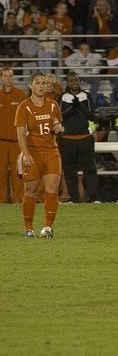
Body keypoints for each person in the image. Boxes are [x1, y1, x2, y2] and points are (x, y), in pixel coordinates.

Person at [15, 72, 63, 238]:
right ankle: (28, 228)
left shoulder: (53, 105)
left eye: (44, 83)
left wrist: (59, 128)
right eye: (38, 83)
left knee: (52, 189)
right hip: (33, 152)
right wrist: (26, 154)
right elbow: (21, 134)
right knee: (30, 190)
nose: (42, 86)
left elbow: (58, 126)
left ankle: (48, 227)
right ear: (31, 85)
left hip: (51, 152)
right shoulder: (24, 107)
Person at [58, 71, 98, 203]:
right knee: (70, 170)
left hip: (85, 137)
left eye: (76, 80)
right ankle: (74, 198)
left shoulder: (86, 96)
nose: (74, 82)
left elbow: (92, 116)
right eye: (71, 80)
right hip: (68, 139)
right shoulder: (62, 97)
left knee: (90, 169)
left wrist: (79, 106)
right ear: (67, 83)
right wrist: (71, 109)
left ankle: (92, 197)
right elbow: (59, 117)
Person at [0, 68, 25, 204]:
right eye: (5, 76)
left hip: (16, 141)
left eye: (10, 76)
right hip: (1, 142)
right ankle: (1, 200)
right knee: (0, 172)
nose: (8, 78)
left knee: (18, 172)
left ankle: (18, 199)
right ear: (1, 78)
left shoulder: (20, 94)